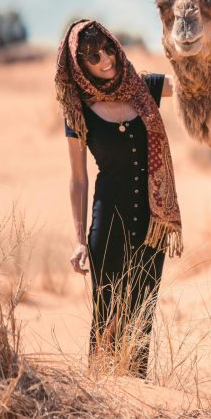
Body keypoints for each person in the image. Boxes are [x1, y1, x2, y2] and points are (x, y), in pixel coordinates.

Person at [55, 19, 182, 378]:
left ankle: (137, 399)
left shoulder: (145, 87)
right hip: (107, 225)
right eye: (93, 56)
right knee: (106, 316)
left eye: (108, 48)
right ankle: (102, 401)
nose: (106, 59)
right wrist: (79, 240)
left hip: (151, 227)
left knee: (141, 318)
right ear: (80, 65)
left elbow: (191, 83)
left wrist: (187, 37)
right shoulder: (76, 108)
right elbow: (78, 178)